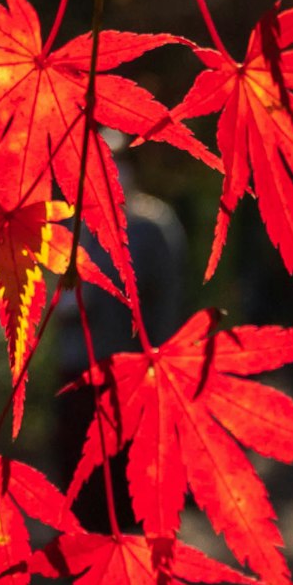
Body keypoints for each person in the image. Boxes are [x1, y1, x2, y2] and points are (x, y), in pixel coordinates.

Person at [49, 134, 190, 526]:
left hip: (130, 368)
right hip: (79, 367)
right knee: (79, 463)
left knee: (127, 470)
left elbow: (165, 299)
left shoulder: (150, 227)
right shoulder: (73, 224)